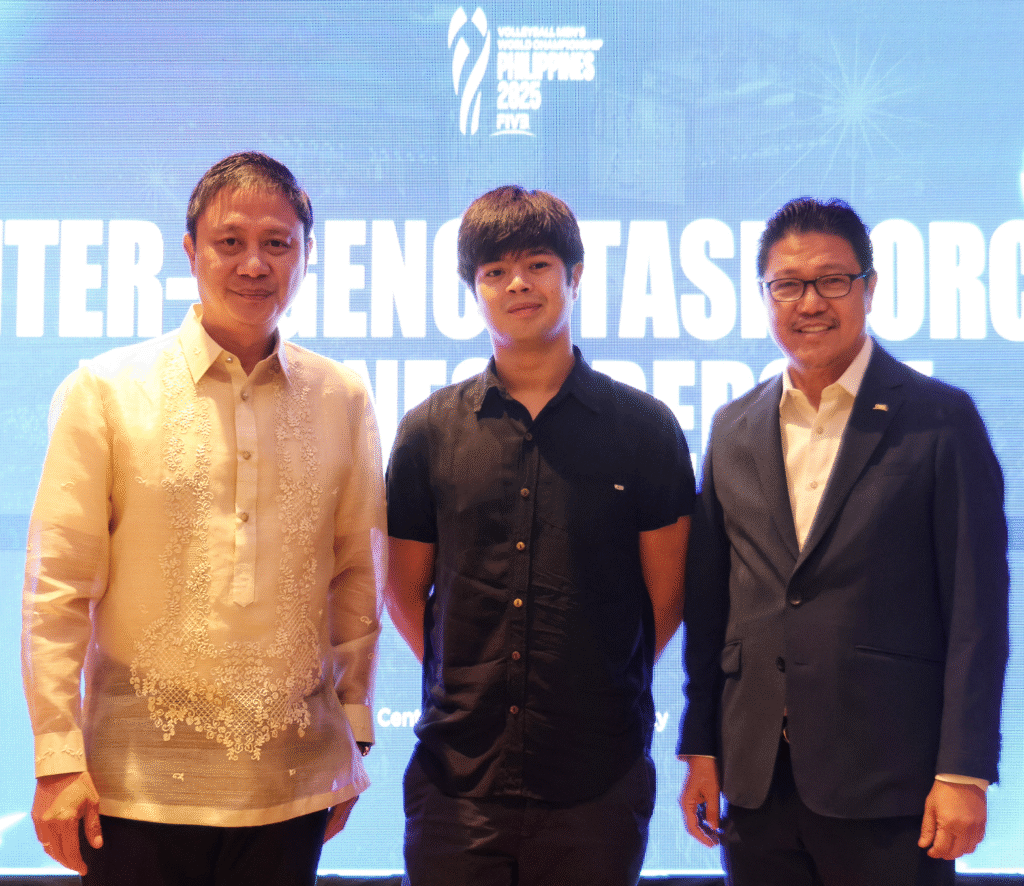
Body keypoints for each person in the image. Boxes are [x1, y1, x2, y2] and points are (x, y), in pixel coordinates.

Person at [22, 152, 386, 885]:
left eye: (277, 243)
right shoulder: (107, 390)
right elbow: (57, 589)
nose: (254, 264)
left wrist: (354, 731)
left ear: (306, 256)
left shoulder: (341, 396)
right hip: (133, 782)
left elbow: (357, 575)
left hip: (292, 780)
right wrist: (57, 760)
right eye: (230, 242)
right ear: (190, 251)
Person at [677, 197, 1009, 886]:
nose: (810, 302)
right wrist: (700, 748)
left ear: (869, 287)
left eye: (832, 280)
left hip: (891, 782)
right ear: (764, 295)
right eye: (787, 285)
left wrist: (963, 771)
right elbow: (712, 611)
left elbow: (977, 613)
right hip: (758, 783)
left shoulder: (940, 420)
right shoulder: (733, 428)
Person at [385, 185, 694, 885]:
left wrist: (592, 676)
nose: (517, 284)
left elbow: (667, 594)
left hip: (598, 775)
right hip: (456, 779)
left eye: (537, 265)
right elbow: (403, 591)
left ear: (574, 276)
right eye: (495, 271)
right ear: (474, 290)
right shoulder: (429, 431)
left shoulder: (644, 429)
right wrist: (470, 676)